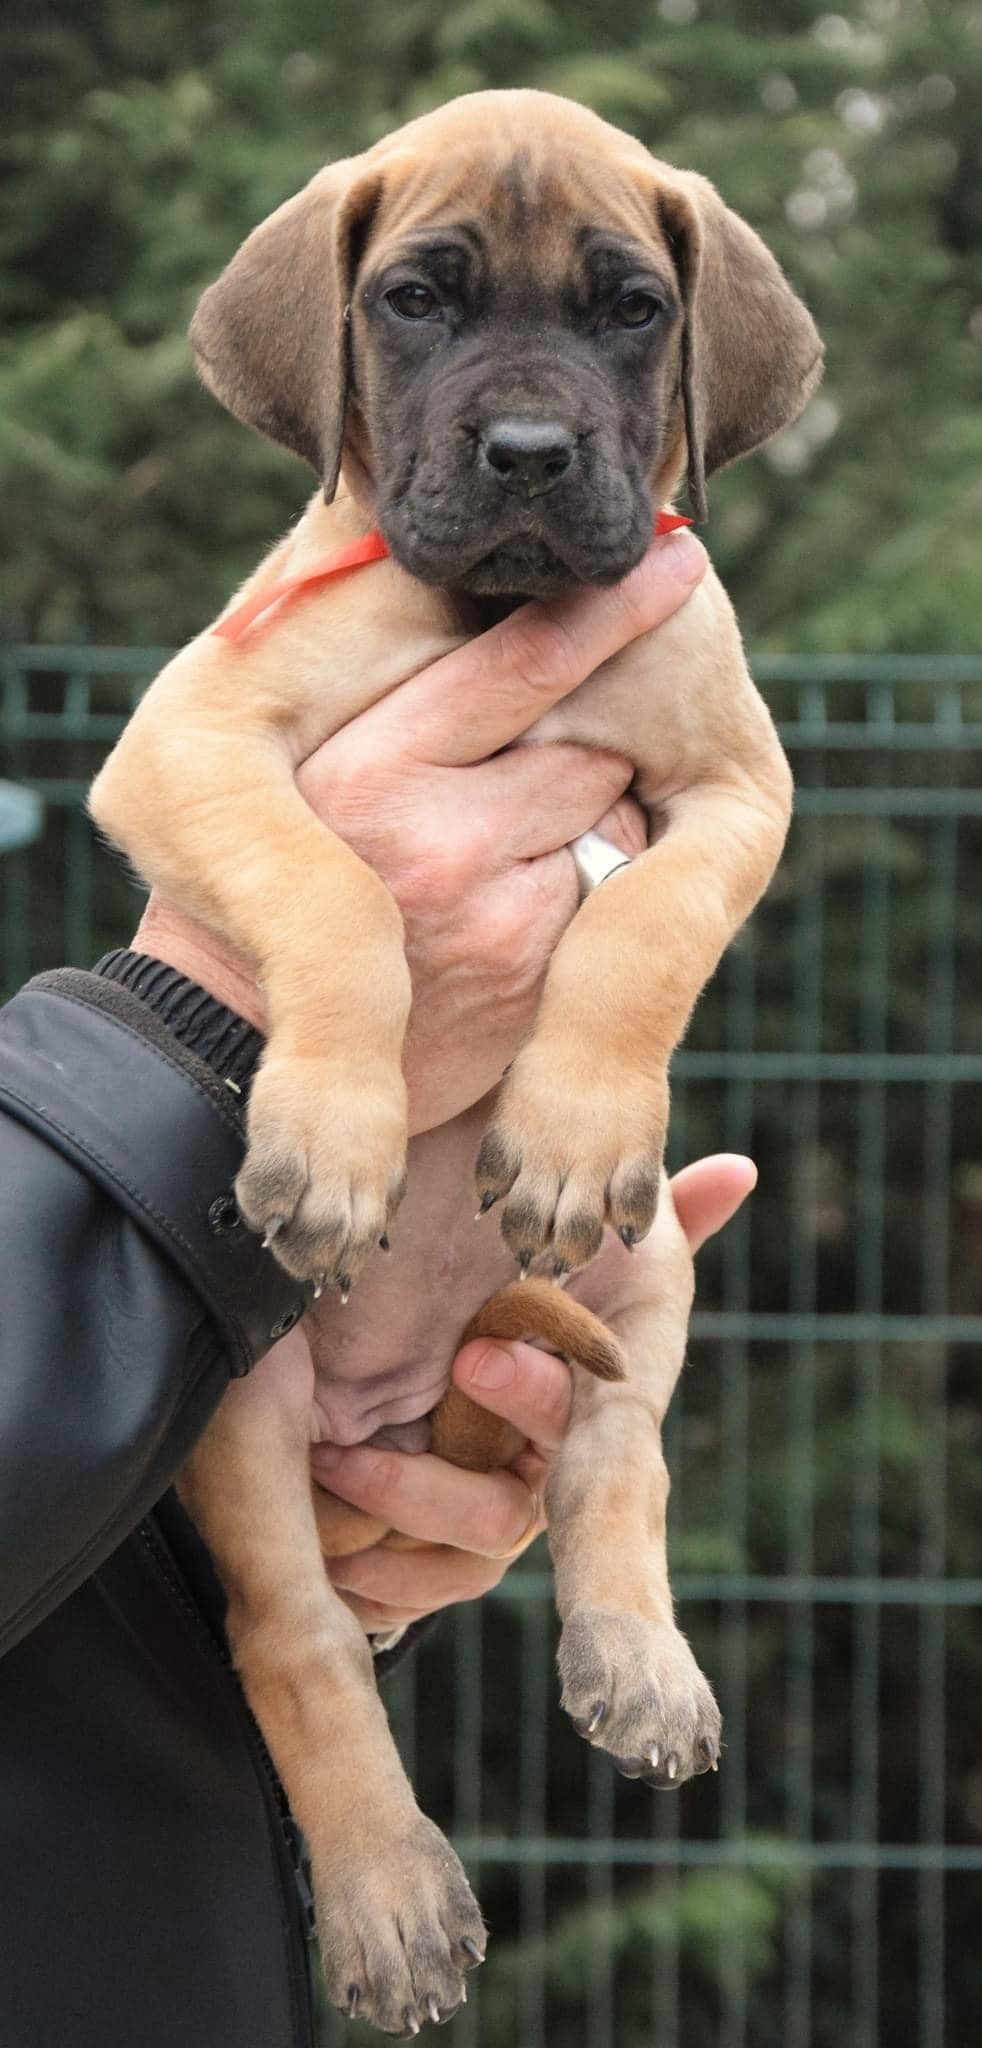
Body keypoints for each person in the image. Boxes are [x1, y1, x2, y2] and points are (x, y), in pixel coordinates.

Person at [0, 524, 754, 2047]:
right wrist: (255, 997)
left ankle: (620, 1562)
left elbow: (742, 793)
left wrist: (609, 1018)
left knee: (638, 1266)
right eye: (425, 351)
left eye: (623, 373)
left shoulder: (671, 613)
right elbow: (157, 773)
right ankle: (346, 1776)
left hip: (456, 1258)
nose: (528, 427)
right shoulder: (335, 590)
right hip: (270, 1294)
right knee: (267, 1432)